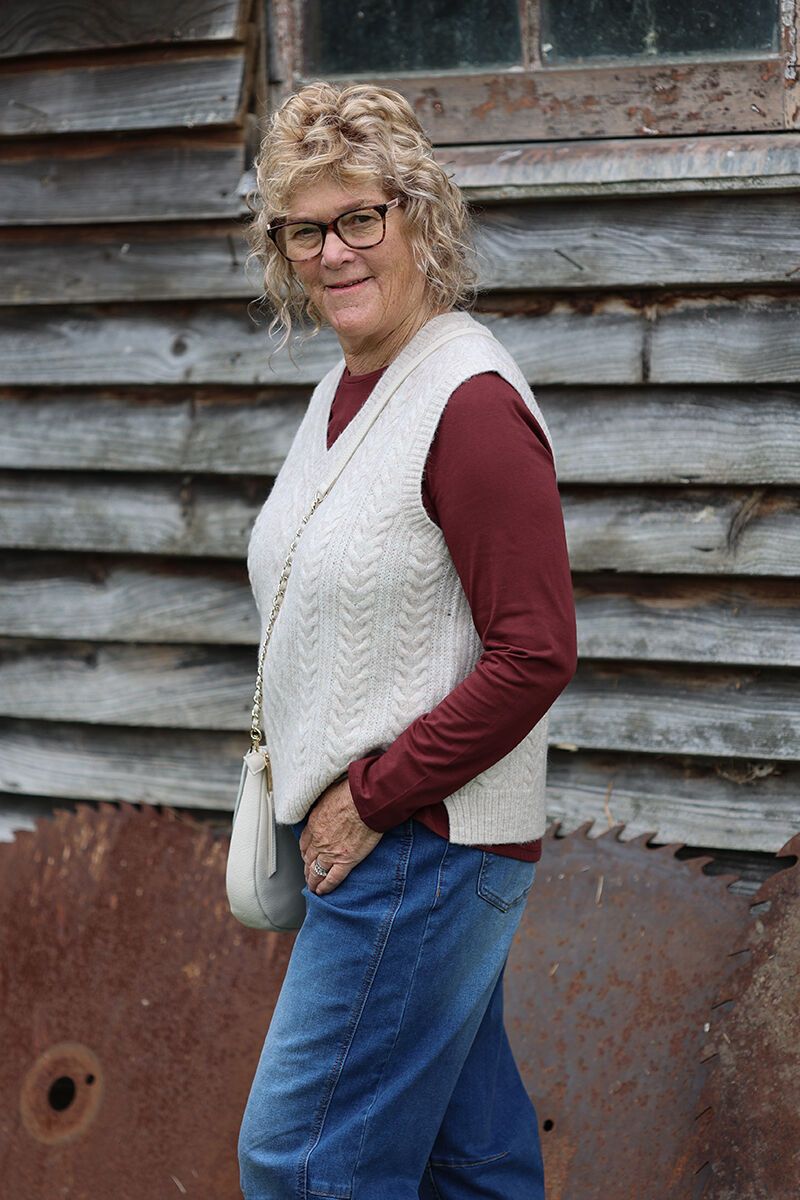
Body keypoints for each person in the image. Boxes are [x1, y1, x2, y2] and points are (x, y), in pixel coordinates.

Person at [238, 80, 577, 1200]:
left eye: (358, 218)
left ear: (417, 216)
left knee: (299, 1164)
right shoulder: (345, 391)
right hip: (392, 845)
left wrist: (373, 797)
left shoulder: (465, 404)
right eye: (304, 230)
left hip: (420, 845)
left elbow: (534, 651)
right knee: (465, 1164)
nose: (332, 252)